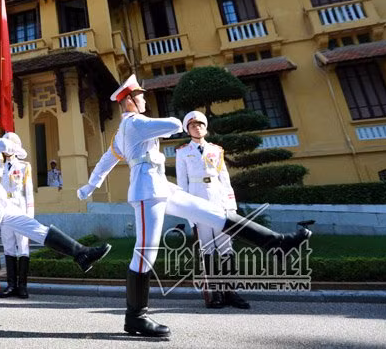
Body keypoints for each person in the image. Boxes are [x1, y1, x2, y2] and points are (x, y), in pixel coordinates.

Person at [77, 75, 311, 338]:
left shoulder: (124, 131)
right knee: (145, 255)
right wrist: (175, 123)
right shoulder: (135, 123)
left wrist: (90, 186)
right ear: (130, 101)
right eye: (141, 96)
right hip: (146, 192)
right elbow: (174, 124)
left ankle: (276, 243)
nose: (144, 99)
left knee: (217, 214)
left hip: (160, 186)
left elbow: (105, 161)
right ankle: (136, 318)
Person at [0, 100, 111, 326]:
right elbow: (8, 148)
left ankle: (81, 253)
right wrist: (13, 146)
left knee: (33, 227)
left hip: (1, 201)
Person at [176, 110, 249, 310]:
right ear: (187, 129)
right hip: (198, 204)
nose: (197, 127)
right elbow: (182, 184)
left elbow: (225, 179)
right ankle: (214, 292)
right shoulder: (182, 152)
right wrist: (188, 213)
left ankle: (231, 291)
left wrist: (231, 207)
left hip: (219, 201)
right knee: (206, 249)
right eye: (192, 125)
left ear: (206, 127)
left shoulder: (216, 150)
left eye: (200, 124)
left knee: (226, 248)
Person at [0, 132, 35, 299]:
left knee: (22, 246)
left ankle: (22, 286)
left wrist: (30, 215)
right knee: (8, 246)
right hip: (4, 211)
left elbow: (28, 192)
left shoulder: (23, 166)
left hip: (20, 208)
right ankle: (11, 285)